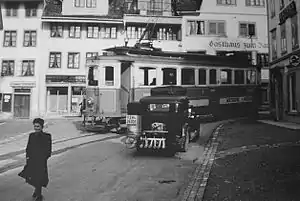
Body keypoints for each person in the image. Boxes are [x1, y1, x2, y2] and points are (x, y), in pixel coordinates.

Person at [18, 118, 52, 201]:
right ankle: (37, 189)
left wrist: (44, 158)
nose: (36, 128)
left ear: (42, 127)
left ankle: (39, 195)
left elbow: (49, 149)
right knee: (30, 176)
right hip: (32, 160)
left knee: (39, 177)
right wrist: (28, 157)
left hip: (41, 161)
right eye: (35, 126)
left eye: (38, 126)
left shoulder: (47, 136)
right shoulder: (31, 135)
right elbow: (28, 147)